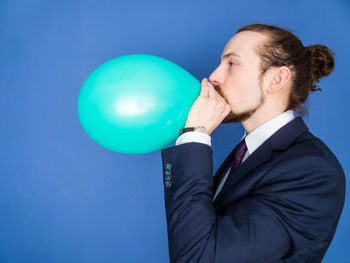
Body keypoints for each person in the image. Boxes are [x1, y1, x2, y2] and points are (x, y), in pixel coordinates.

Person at [161, 24, 346, 263]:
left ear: (277, 79)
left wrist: (195, 135)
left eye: (232, 64)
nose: (214, 77)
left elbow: (199, 258)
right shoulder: (245, 153)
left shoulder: (314, 171)